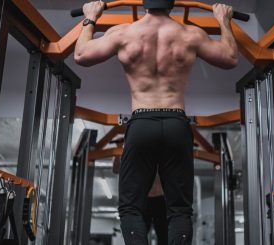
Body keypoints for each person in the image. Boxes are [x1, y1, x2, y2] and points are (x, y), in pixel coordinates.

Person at [74, 0, 238, 243]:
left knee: (130, 207)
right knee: (180, 209)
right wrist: (224, 21)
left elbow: (81, 55)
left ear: (144, 5)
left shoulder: (124, 33)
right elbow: (231, 57)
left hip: (141, 122)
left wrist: (90, 18)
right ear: (172, 5)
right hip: (176, 123)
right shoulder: (190, 34)